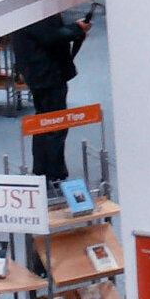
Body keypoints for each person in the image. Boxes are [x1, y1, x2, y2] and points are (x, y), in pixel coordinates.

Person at [10, 10, 92, 184]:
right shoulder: (36, 11)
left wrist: (75, 28)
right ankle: (53, 173)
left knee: (44, 121)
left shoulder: (26, 8)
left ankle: (43, 169)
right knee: (55, 123)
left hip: (39, 73)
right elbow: (51, 36)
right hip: (47, 74)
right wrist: (76, 29)